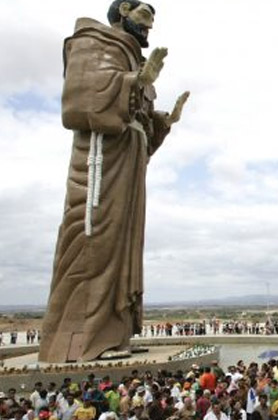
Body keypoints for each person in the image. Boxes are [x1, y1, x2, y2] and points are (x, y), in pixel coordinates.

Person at [39, 0, 189, 362]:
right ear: (123, 9)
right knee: (97, 242)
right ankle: (85, 341)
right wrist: (136, 80)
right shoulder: (94, 42)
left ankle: (113, 334)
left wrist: (163, 122)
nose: (149, 26)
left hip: (128, 160)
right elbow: (79, 104)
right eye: (144, 16)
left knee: (123, 246)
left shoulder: (133, 57)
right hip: (100, 165)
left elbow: (140, 121)